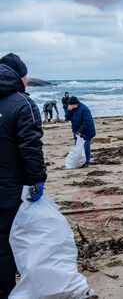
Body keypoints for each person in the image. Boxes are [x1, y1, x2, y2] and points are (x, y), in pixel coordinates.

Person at [0, 53, 47, 298]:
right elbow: (30, 145)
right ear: (21, 75)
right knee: (10, 241)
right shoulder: (22, 103)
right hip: (9, 188)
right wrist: (37, 178)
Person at [66, 96, 96, 167]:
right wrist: (69, 110)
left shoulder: (84, 109)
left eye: (71, 105)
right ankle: (80, 161)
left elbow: (87, 122)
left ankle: (86, 163)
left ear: (75, 104)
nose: (70, 106)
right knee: (78, 147)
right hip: (77, 132)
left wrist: (80, 131)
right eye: (69, 105)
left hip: (87, 131)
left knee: (85, 146)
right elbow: (67, 117)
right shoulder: (72, 109)